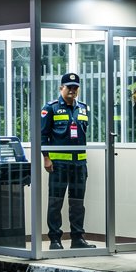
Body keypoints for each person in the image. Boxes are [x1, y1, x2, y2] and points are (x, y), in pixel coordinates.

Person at [40, 72, 94, 249]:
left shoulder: (83, 108)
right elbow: (43, 136)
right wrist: (46, 159)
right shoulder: (51, 108)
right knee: (56, 202)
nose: (72, 90)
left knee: (77, 203)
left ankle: (77, 239)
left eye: (75, 87)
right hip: (59, 165)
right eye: (69, 87)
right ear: (61, 88)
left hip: (79, 165)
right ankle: (55, 239)